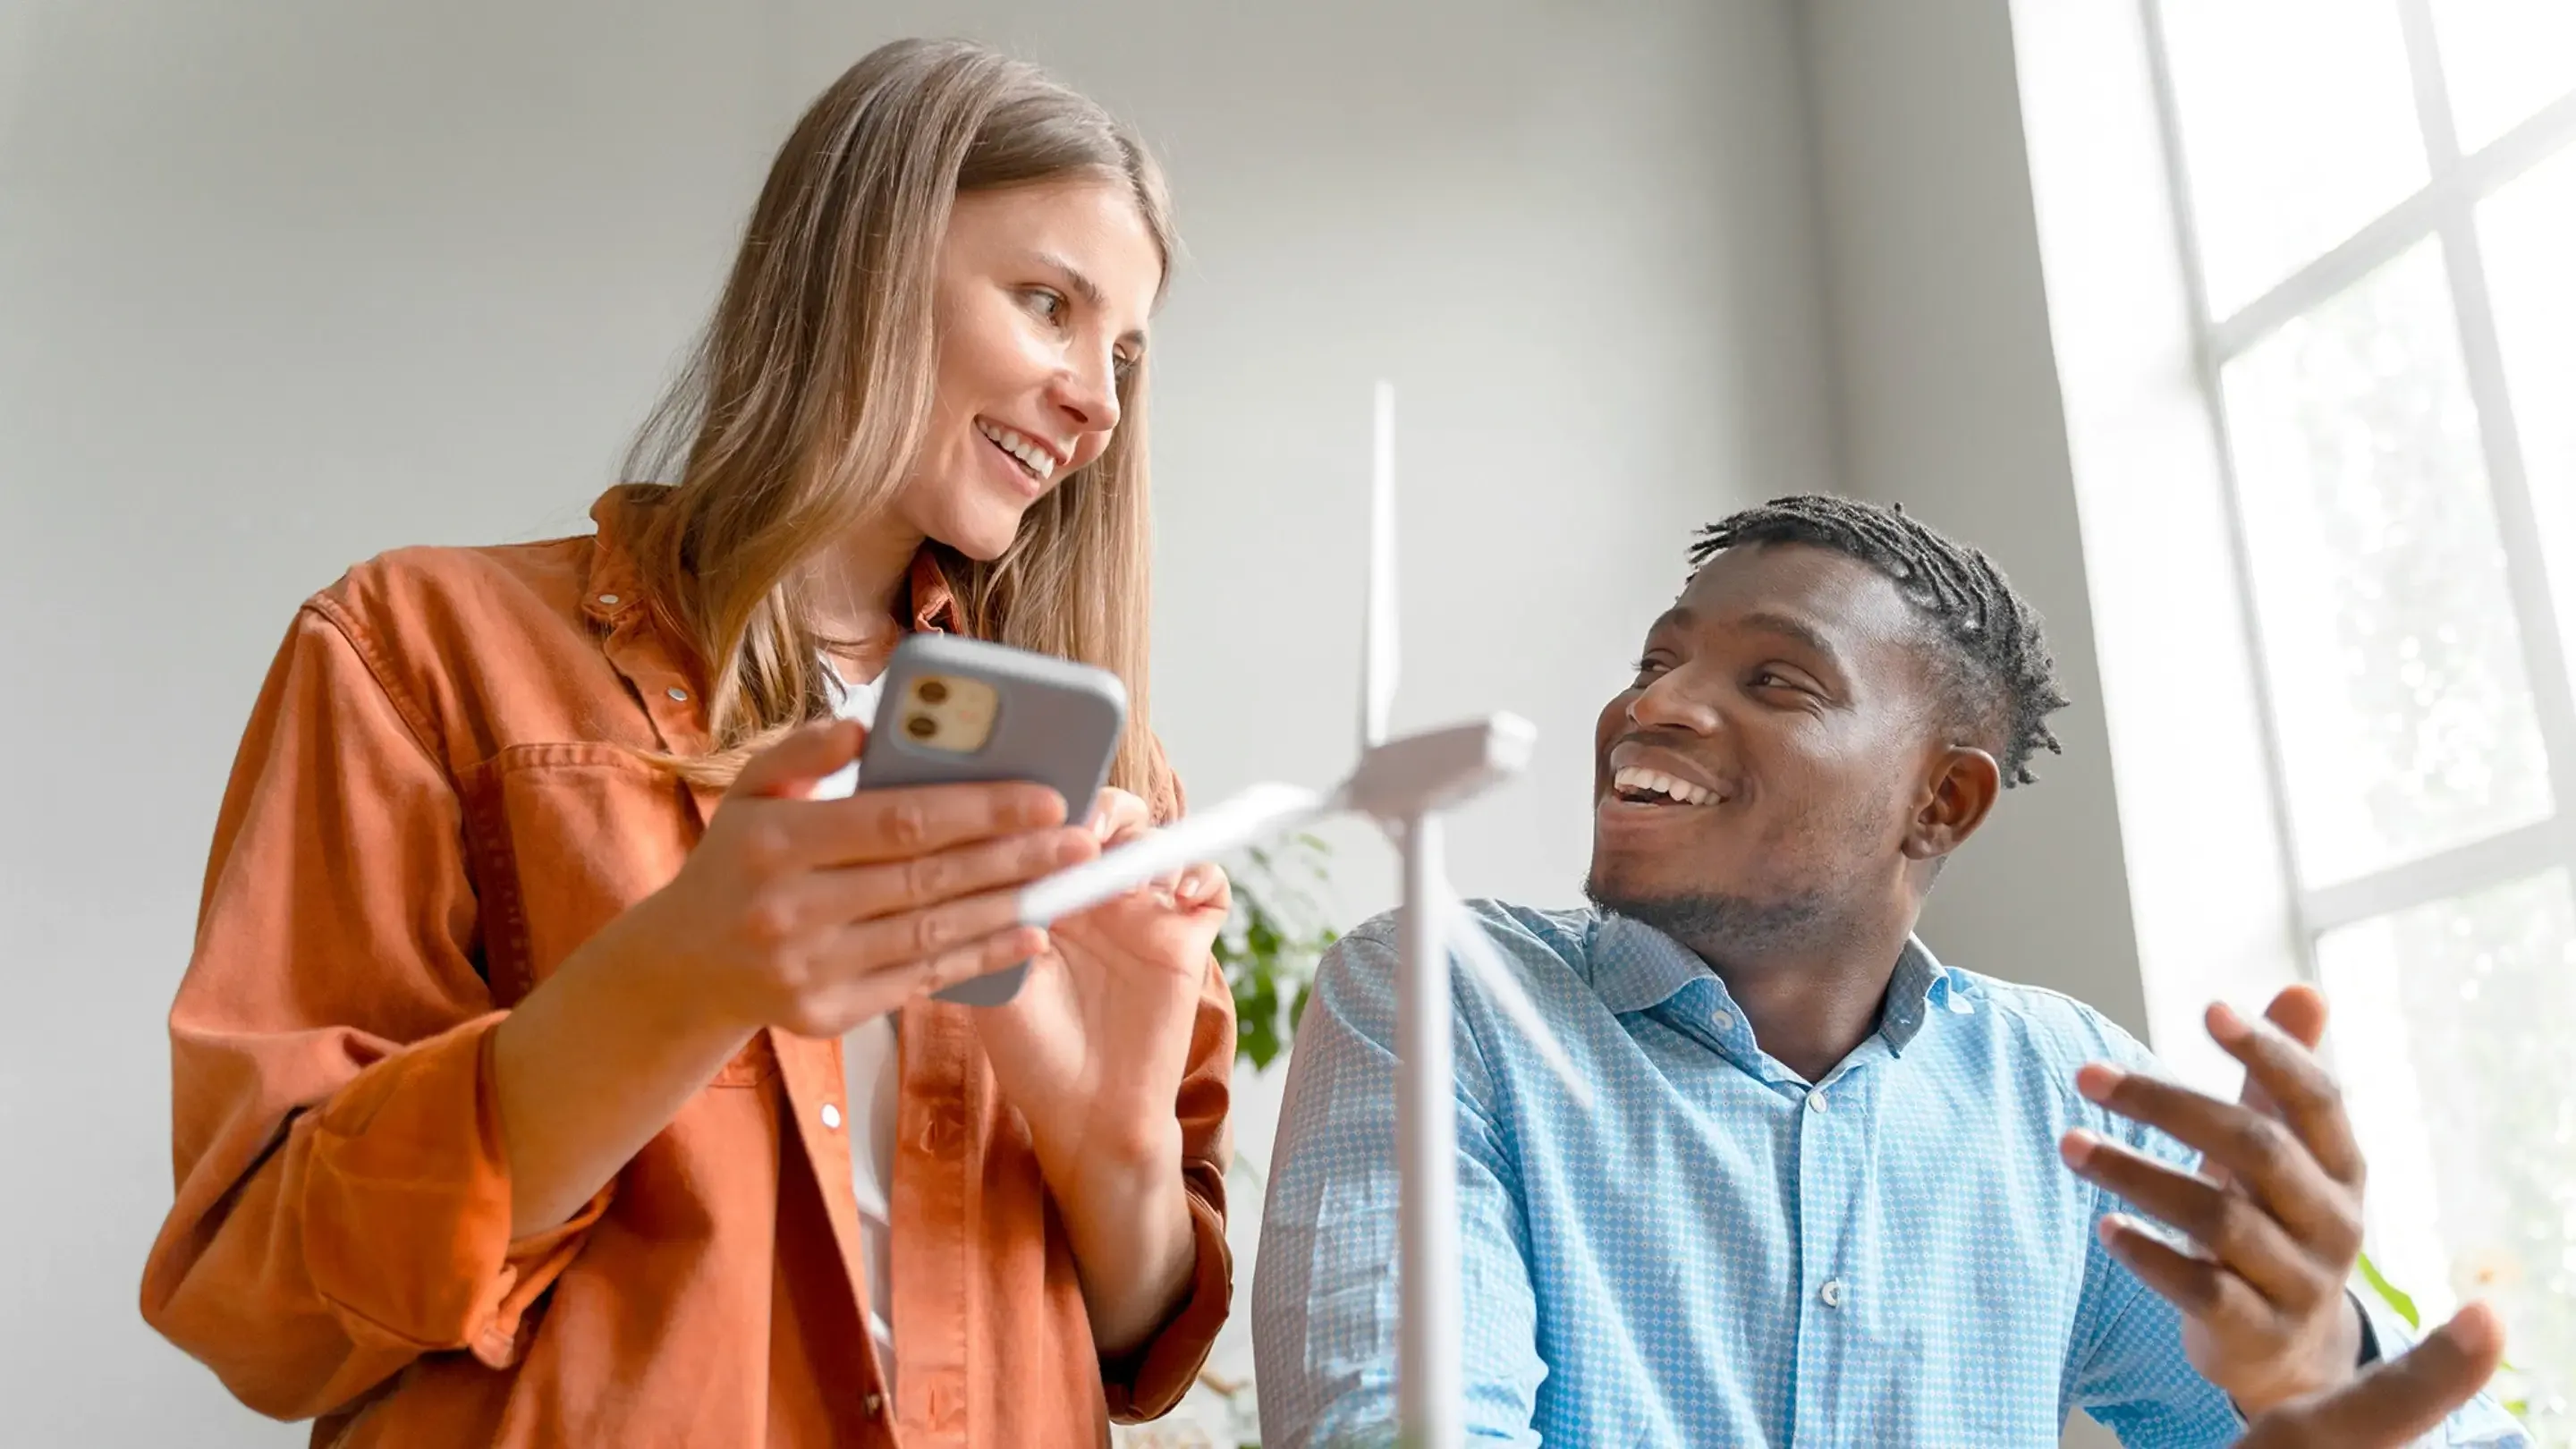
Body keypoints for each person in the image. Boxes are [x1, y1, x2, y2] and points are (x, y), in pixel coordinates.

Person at [140, 38, 1235, 1448]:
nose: (1098, 402)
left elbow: (1138, 1334)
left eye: (1125, 352)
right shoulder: (419, 652)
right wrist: (681, 976)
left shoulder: (1100, 788)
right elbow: (264, 1290)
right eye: (1048, 305)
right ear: (868, 261)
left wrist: (1112, 1135)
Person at [1252, 496, 2527, 1446]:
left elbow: (2413, 1422)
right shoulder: (1445, 993)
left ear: (1941, 801)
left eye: (1775, 680)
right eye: (1657, 660)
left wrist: (2323, 1355)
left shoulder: (2060, 1097)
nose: (1656, 706)